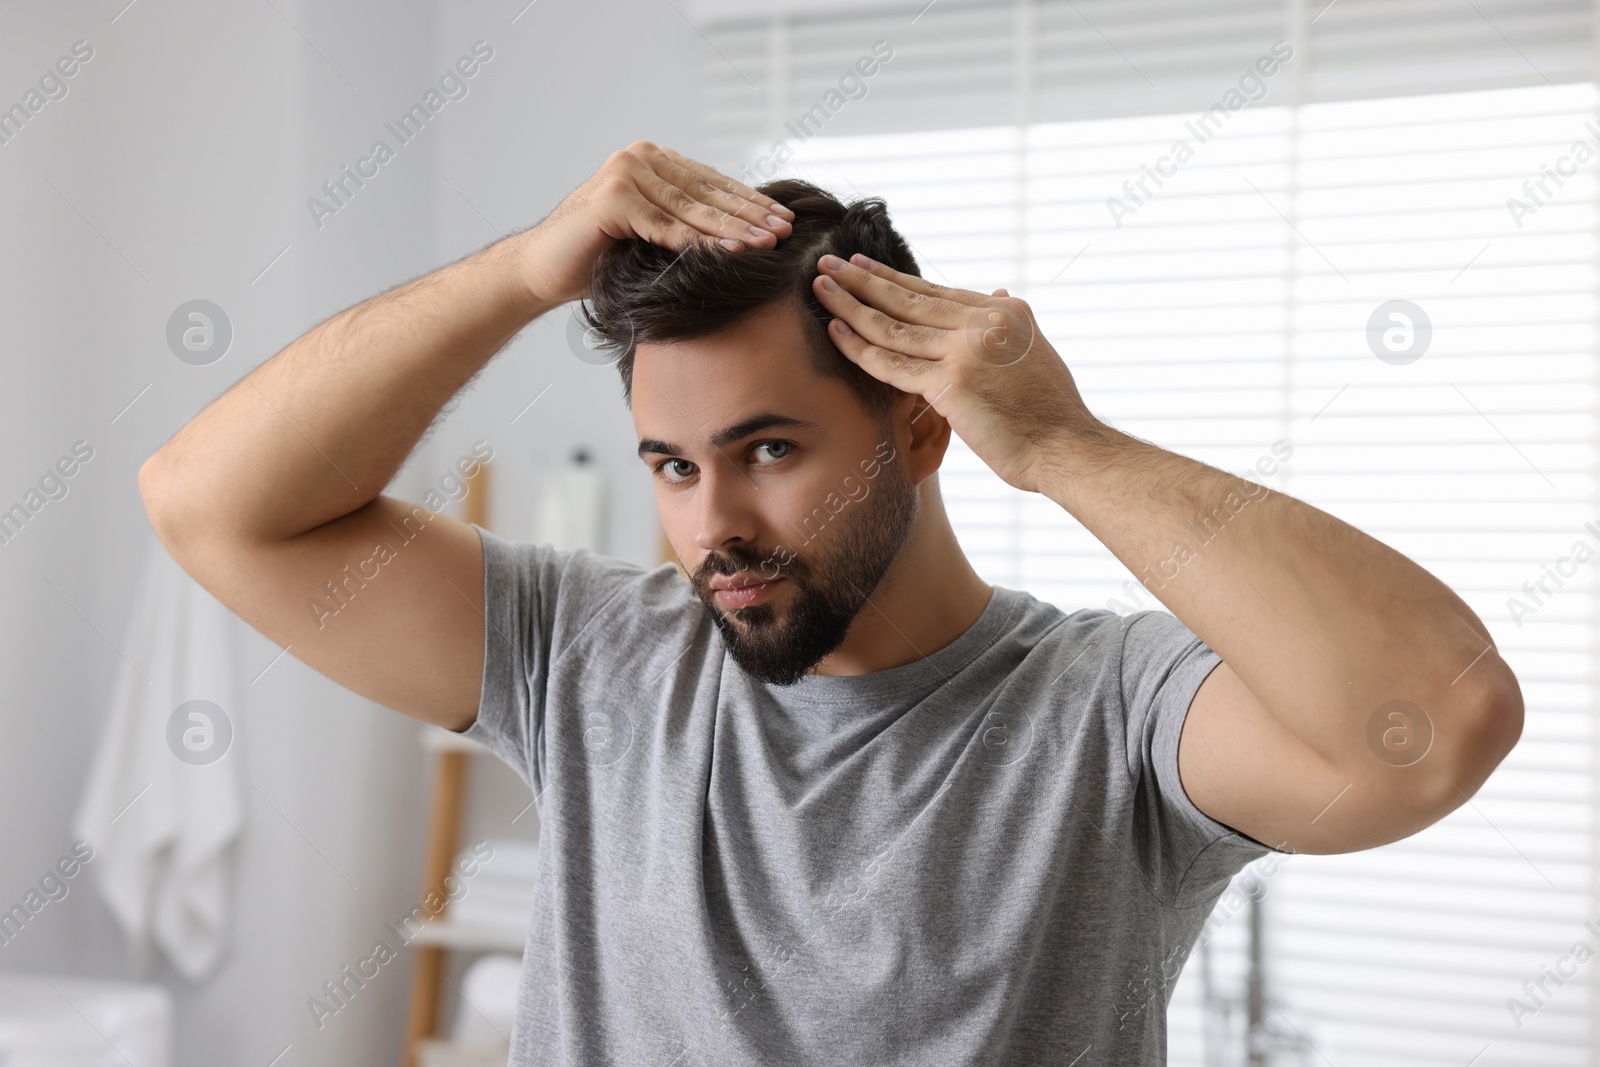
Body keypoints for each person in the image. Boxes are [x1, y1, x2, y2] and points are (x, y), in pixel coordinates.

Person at [139, 141, 1523, 1064]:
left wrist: (1063, 448)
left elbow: (1434, 724)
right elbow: (212, 506)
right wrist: (520, 270)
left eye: (771, 451)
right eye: (673, 466)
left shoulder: (1107, 717)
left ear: (921, 432)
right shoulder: (592, 658)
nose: (714, 526)